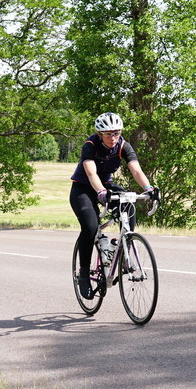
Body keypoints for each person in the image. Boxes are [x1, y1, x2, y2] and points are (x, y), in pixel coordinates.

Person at [69, 112, 159, 298]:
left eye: (116, 133)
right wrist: (101, 192)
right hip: (83, 188)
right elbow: (91, 173)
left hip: (107, 185)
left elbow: (136, 170)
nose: (113, 138)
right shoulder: (90, 145)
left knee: (129, 201)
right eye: (109, 134)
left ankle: (122, 242)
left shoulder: (123, 145)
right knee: (91, 227)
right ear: (100, 134)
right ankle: (84, 274)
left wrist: (149, 188)